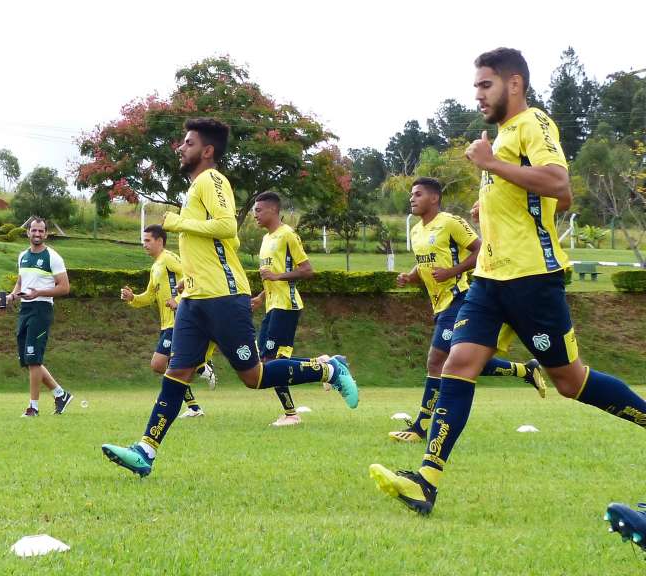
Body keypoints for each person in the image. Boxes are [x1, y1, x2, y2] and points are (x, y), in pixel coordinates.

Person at [370, 47, 646, 515]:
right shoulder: (498, 138)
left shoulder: (533, 124)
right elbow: (528, 196)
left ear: (513, 84)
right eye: (476, 86)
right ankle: (426, 480)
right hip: (489, 281)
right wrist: (492, 203)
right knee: (457, 364)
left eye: (485, 85)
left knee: (569, 381)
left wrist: (493, 166)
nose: (477, 95)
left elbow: (560, 185)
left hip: (532, 280)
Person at [102, 118, 358, 477]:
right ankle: (146, 450)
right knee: (176, 374)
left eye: (188, 143)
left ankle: (328, 369)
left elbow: (227, 227)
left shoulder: (212, 179)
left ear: (207, 151)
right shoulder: (195, 190)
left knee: (253, 376)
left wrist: (177, 224)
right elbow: (228, 241)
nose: (181, 148)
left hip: (224, 296)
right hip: (194, 301)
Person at [388, 177, 547, 443]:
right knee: (459, 363)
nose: (412, 199)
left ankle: (420, 427)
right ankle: (524, 371)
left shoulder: (450, 222)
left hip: (459, 299)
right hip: (440, 305)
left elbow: (480, 249)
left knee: (436, 361)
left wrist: (453, 271)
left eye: (417, 194)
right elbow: (425, 263)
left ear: (434, 198)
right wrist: (410, 276)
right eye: (411, 195)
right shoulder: (416, 231)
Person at [121, 224, 216, 418]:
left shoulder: (169, 259)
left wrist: (179, 301)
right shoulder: (156, 266)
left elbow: (193, 275)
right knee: (170, 369)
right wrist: (133, 298)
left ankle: (201, 366)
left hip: (179, 321)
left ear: (160, 241)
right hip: (168, 324)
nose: (144, 244)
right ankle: (194, 406)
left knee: (158, 364)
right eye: (143, 240)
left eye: (147, 240)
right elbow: (149, 296)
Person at [250, 191, 314, 427]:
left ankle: (291, 414)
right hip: (272, 306)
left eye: (258, 210)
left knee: (272, 360)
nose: (254, 215)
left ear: (272, 210)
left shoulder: (288, 235)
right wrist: (260, 297)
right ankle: (327, 364)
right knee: (266, 361)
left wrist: (277, 276)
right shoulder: (267, 239)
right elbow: (273, 278)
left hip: (287, 305)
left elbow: (307, 270)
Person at [5, 216, 74, 417]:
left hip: (41, 309)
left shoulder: (53, 257)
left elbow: (64, 287)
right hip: (25, 309)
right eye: (33, 230)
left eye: (41, 231)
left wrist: (39, 293)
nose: (37, 234)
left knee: (34, 358)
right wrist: (11, 296)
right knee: (28, 358)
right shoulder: (22, 256)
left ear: (46, 233)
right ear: (28, 232)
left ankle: (33, 408)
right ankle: (60, 394)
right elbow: (21, 282)